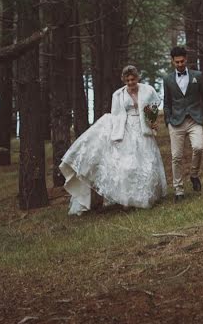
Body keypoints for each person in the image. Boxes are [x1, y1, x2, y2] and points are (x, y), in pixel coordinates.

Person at [59, 65, 167, 215]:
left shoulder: (148, 90)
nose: (130, 82)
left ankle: (147, 196)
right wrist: (115, 135)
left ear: (137, 78)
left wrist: (153, 123)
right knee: (128, 165)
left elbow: (153, 109)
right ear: (124, 80)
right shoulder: (118, 95)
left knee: (147, 162)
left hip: (144, 130)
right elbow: (116, 115)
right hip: (127, 130)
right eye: (127, 80)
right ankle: (128, 199)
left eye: (133, 79)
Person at [163, 46, 203, 202]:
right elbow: (166, 103)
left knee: (198, 147)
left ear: (186, 59)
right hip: (175, 122)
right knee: (176, 157)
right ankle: (178, 190)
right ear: (172, 61)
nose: (180, 64)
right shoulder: (167, 80)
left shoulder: (198, 76)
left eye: (182, 61)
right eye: (177, 62)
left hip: (194, 119)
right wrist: (168, 121)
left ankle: (194, 175)